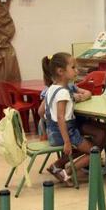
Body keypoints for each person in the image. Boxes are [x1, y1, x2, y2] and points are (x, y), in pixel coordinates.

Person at [41, 52, 98, 185]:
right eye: (73, 68)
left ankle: (56, 167)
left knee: (82, 148)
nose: (77, 71)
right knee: (94, 153)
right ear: (61, 71)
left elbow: (44, 112)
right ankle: (66, 172)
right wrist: (67, 141)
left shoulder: (51, 88)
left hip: (53, 132)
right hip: (66, 133)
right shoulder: (63, 92)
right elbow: (61, 117)